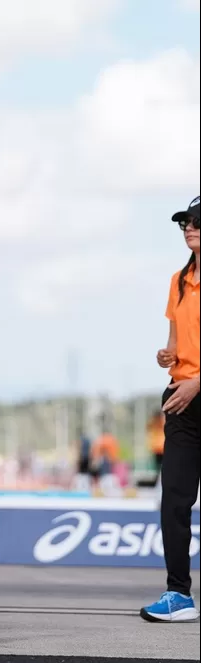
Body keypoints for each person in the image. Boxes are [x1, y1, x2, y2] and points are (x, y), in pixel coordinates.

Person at [141, 196, 201, 623]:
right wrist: (168, 357)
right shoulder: (179, 281)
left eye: (196, 222)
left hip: (195, 388)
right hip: (182, 398)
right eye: (184, 222)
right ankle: (178, 594)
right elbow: (176, 342)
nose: (188, 228)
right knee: (174, 500)